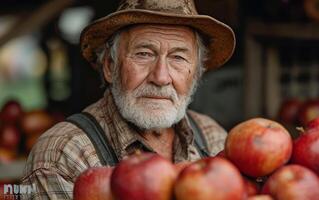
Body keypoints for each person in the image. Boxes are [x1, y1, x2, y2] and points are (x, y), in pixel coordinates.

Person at [21, 0, 235, 199]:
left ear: (195, 74)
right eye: (144, 54)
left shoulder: (213, 138)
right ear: (110, 67)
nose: (160, 77)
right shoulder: (64, 156)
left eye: (178, 58)